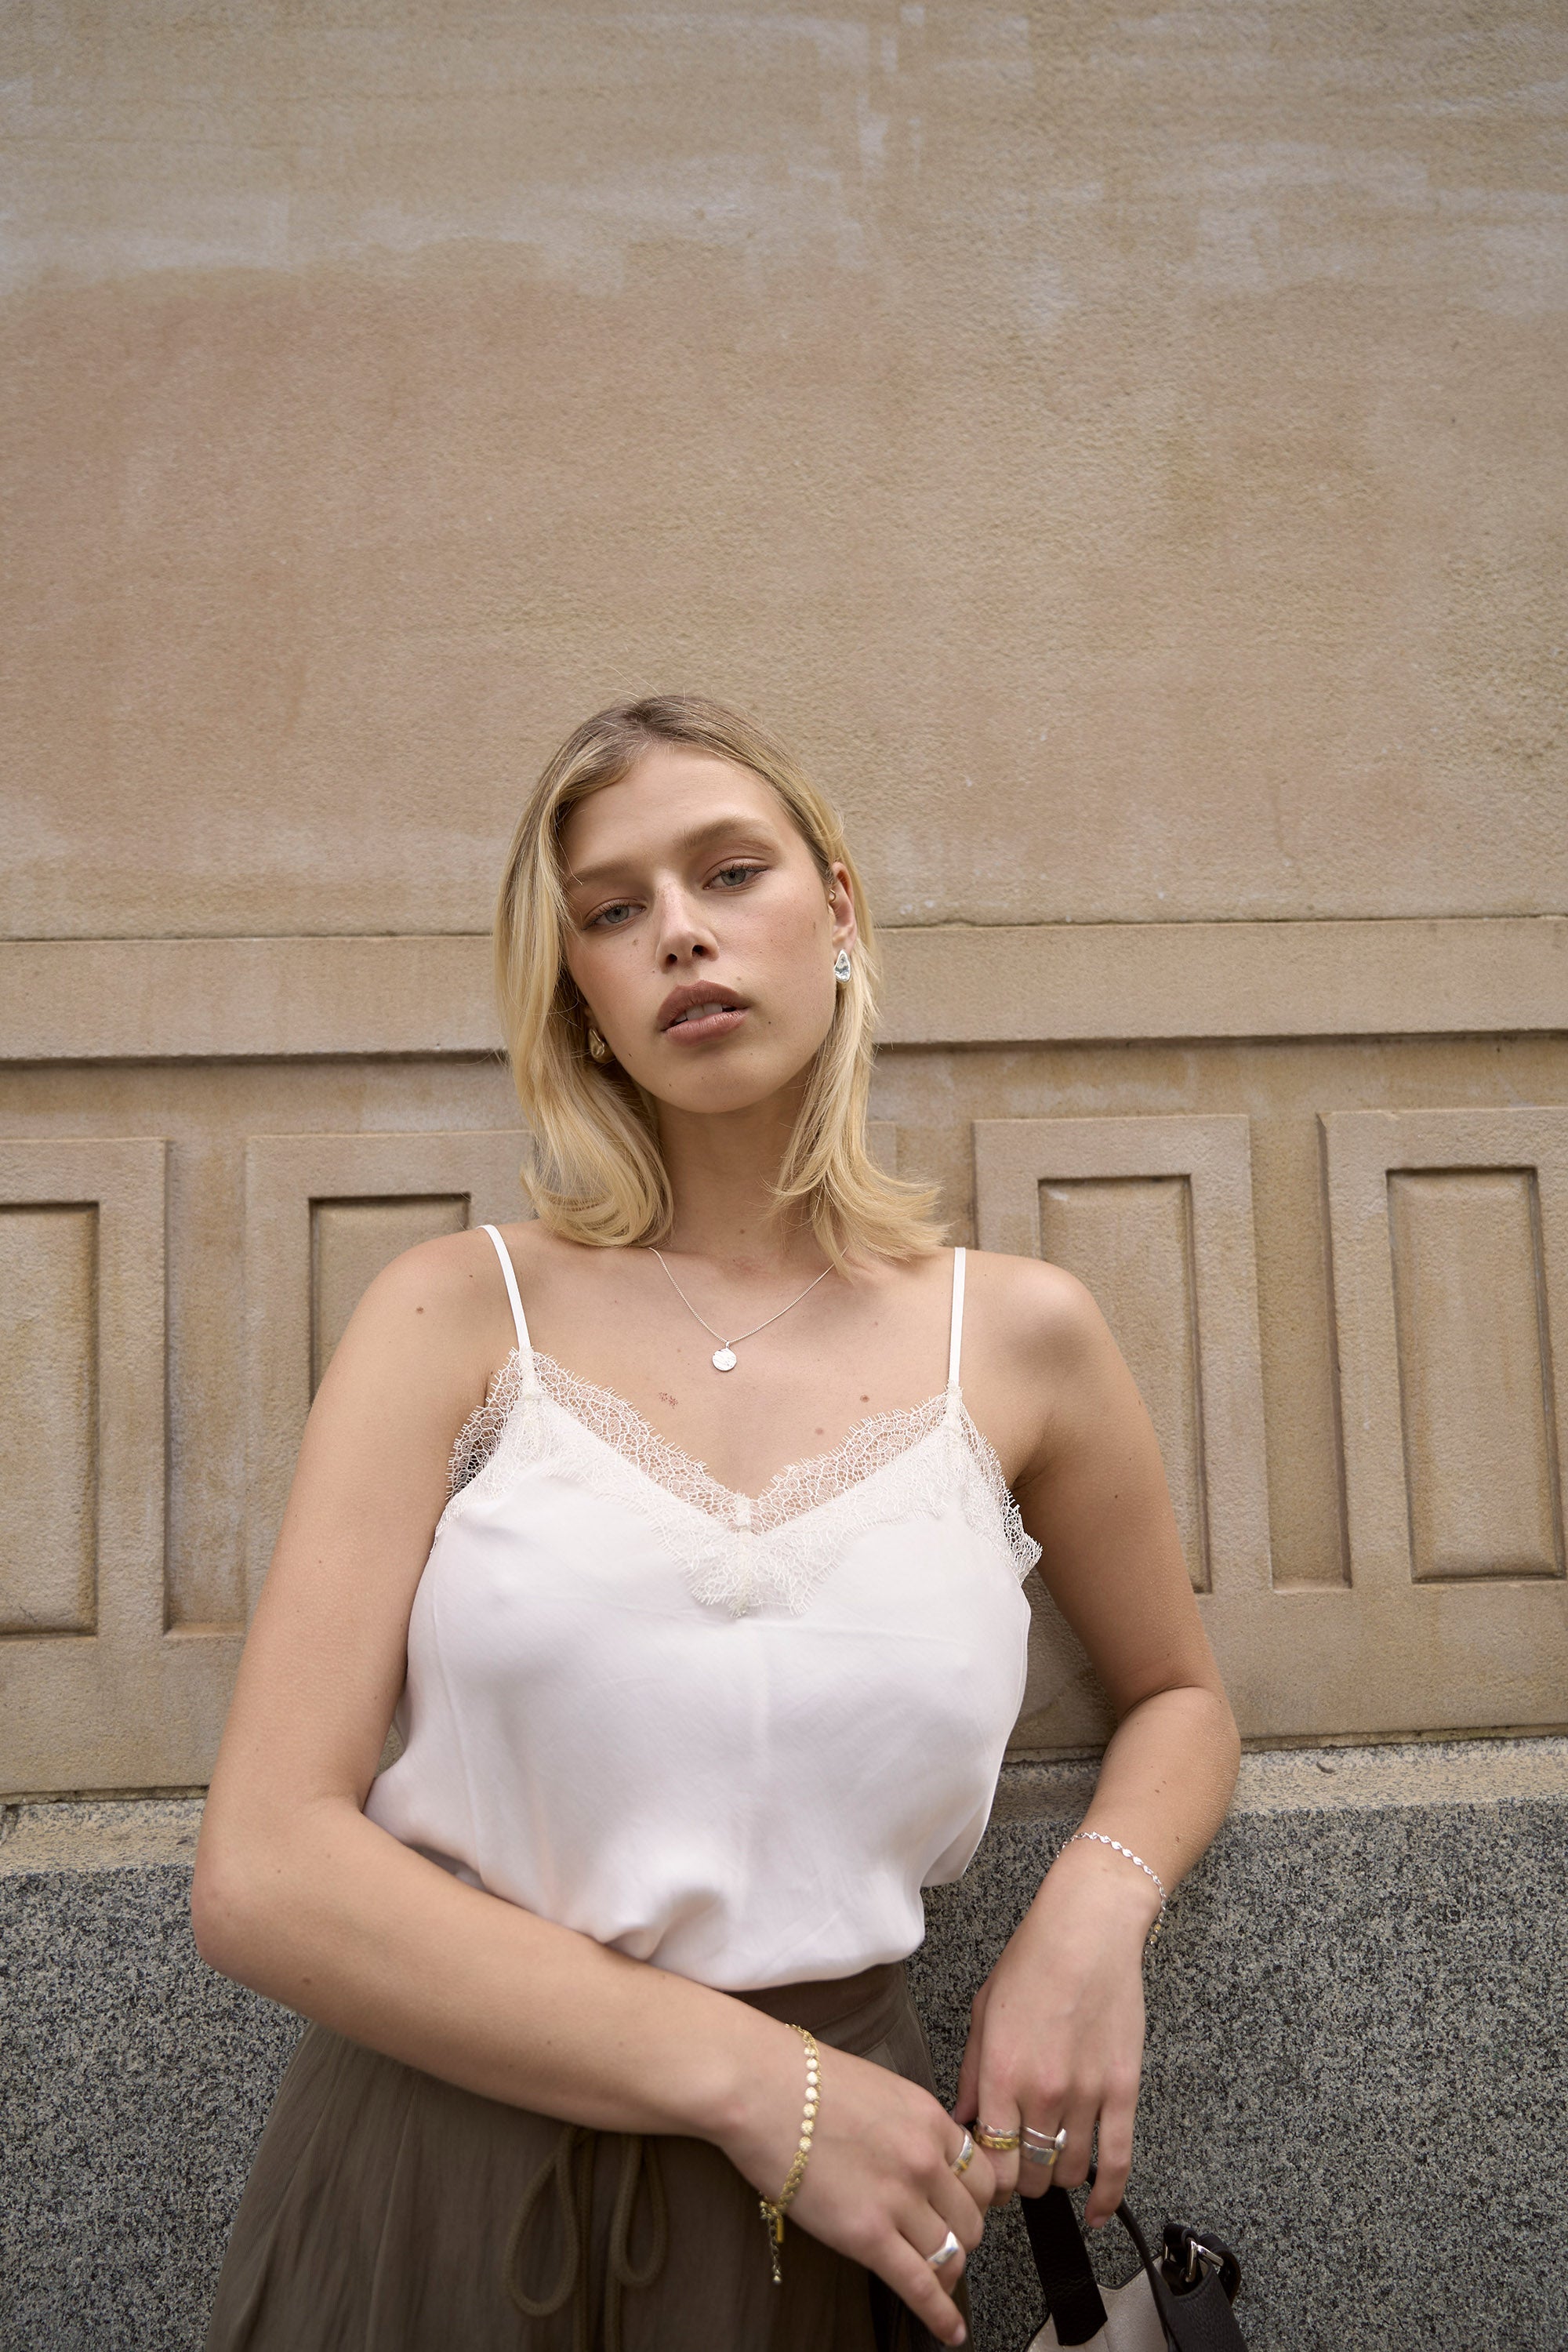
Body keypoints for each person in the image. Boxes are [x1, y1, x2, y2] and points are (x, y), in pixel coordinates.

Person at [194, 695, 1240, 2351]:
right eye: (612, 911)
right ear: (584, 1001)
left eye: (728, 873)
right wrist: (757, 2085)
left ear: (837, 915)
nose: (676, 930)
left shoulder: (1022, 1335)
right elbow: (261, 1870)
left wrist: (1089, 1917)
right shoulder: (454, 1314)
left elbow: (1180, 1700)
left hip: (843, 2232)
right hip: (438, 2189)